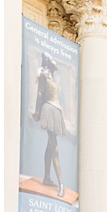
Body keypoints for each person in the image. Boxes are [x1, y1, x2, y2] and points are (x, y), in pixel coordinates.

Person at [31, 53, 66, 198]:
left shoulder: (51, 75)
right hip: (49, 110)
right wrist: (37, 112)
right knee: (54, 148)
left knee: (49, 145)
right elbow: (40, 94)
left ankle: (46, 176)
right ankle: (61, 184)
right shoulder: (44, 75)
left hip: (56, 109)